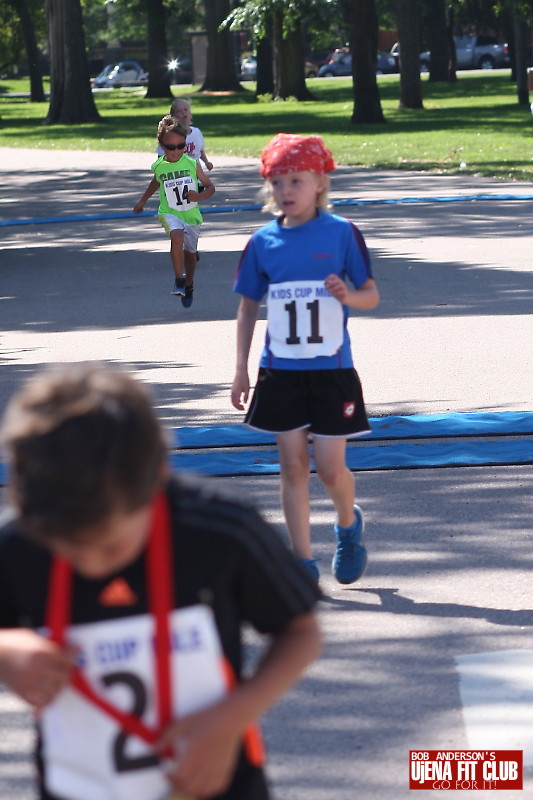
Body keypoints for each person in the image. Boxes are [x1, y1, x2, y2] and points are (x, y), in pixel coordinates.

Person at [0, 364, 321, 800]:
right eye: (67, 546)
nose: (90, 563)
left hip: (218, 786)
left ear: (157, 480)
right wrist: (7, 651)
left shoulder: (221, 529)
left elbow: (301, 630)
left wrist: (232, 716)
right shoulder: (20, 543)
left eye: (108, 545)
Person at [231, 133, 380, 586]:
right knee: (293, 465)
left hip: (332, 371)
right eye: (277, 182)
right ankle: (302, 563)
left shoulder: (341, 233)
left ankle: (348, 525)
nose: (285, 191)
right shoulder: (262, 242)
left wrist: (347, 295)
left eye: (296, 180)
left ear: (319, 183)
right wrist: (240, 369)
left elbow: (370, 295)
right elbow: (247, 308)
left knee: (330, 469)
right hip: (281, 371)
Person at [133, 114, 215, 307]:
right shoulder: (159, 166)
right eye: (171, 147)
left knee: (190, 256)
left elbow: (211, 187)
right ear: (162, 146)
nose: (176, 151)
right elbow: (156, 182)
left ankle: (189, 283)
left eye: (181, 146)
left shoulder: (191, 163)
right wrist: (142, 201)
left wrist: (198, 196)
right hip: (169, 211)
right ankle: (179, 279)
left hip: (191, 214)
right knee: (176, 237)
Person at [155, 97, 214, 173]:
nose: (183, 112)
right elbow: (161, 156)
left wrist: (206, 162)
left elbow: (200, 150)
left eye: (186, 109)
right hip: (176, 173)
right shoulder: (169, 136)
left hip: (195, 173)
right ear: (173, 116)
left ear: (190, 113)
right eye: (179, 111)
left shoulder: (196, 132)